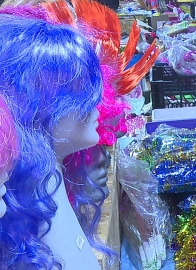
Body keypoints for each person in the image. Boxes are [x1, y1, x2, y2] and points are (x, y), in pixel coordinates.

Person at [0, 15, 106, 269]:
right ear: (36, 106)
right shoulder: (34, 194)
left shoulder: (47, 185)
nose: (96, 106)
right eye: (78, 93)